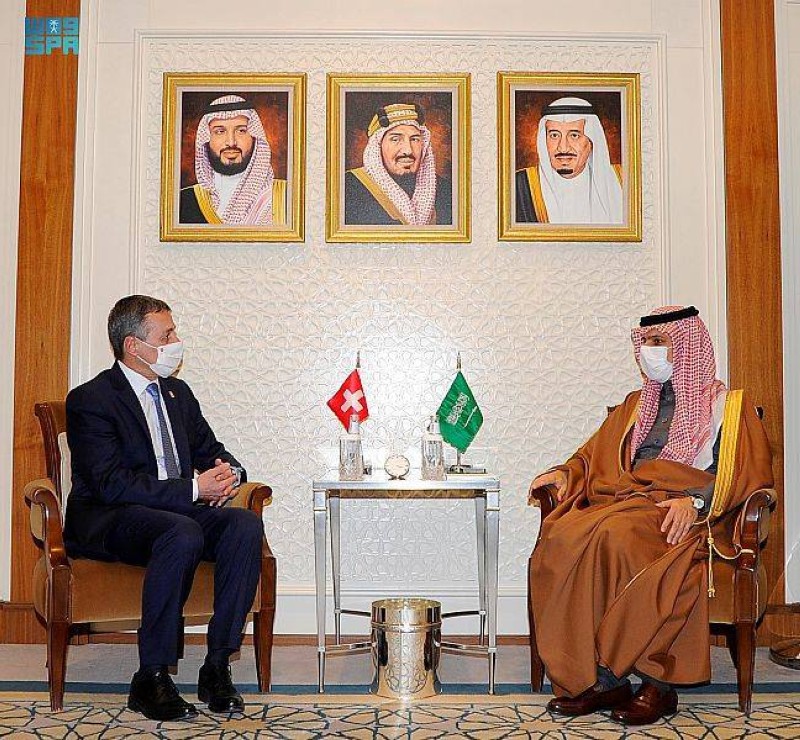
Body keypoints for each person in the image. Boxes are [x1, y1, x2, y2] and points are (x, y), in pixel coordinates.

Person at [529, 305, 773, 726]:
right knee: (564, 535)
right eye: (644, 342)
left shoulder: (729, 408)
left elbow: (744, 474)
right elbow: (591, 457)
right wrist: (565, 472)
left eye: (658, 341)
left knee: (619, 534)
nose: (648, 350)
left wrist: (694, 503)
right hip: (628, 501)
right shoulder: (635, 405)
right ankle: (601, 680)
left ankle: (656, 682)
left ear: (687, 346)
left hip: (688, 512)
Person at [64, 295, 264, 721]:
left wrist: (229, 475)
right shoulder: (91, 399)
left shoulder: (177, 394)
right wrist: (194, 489)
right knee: (181, 531)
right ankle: (151, 676)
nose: (176, 342)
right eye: (166, 335)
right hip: (111, 518)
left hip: (172, 514)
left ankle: (217, 666)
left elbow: (212, 450)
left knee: (243, 526)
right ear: (133, 346)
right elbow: (111, 484)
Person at [179, 94, 287, 226]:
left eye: (241, 131)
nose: (231, 142)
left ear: (254, 137)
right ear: (207, 139)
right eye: (220, 131)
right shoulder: (185, 201)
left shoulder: (286, 197)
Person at [515, 96, 623, 224]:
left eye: (574, 135)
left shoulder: (622, 180)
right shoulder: (519, 186)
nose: (563, 147)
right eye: (554, 135)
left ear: (591, 141)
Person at [344, 102, 452, 225]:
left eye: (414, 139)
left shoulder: (446, 190)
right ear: (378, 146)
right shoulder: (348, 187)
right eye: (395, 139)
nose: (408, 150)